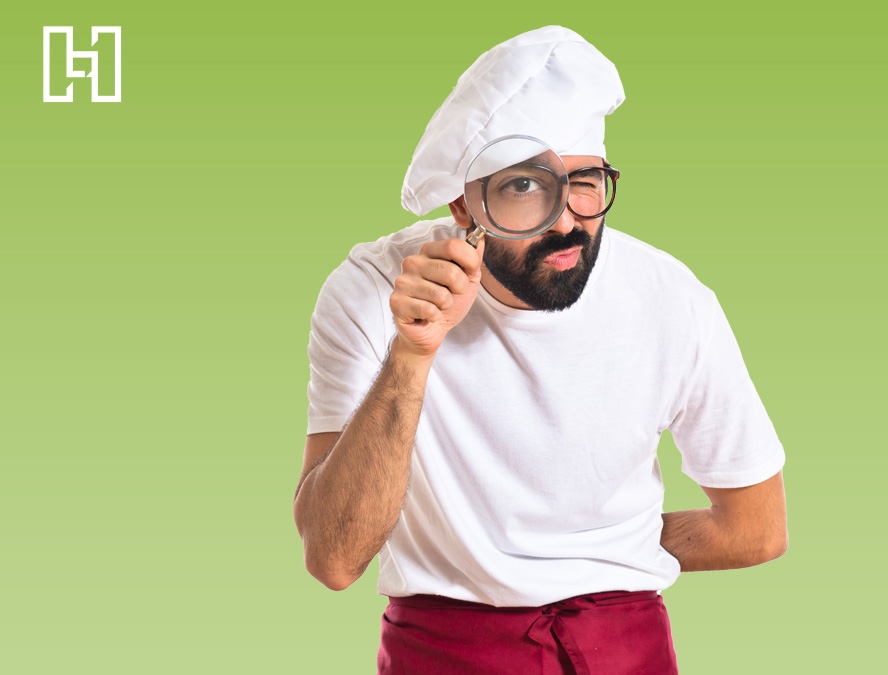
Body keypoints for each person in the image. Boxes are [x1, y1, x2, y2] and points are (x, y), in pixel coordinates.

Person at [292, 25, 788, 674]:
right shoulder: (371, 292)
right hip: (443, 653)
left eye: (584, 182)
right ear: (463, 208)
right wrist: (412, 354)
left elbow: (758, 527)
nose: (565, 219)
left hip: (622, 648)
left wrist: (593, 552)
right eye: (525, 187)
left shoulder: (670, 298)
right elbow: (333, 558)